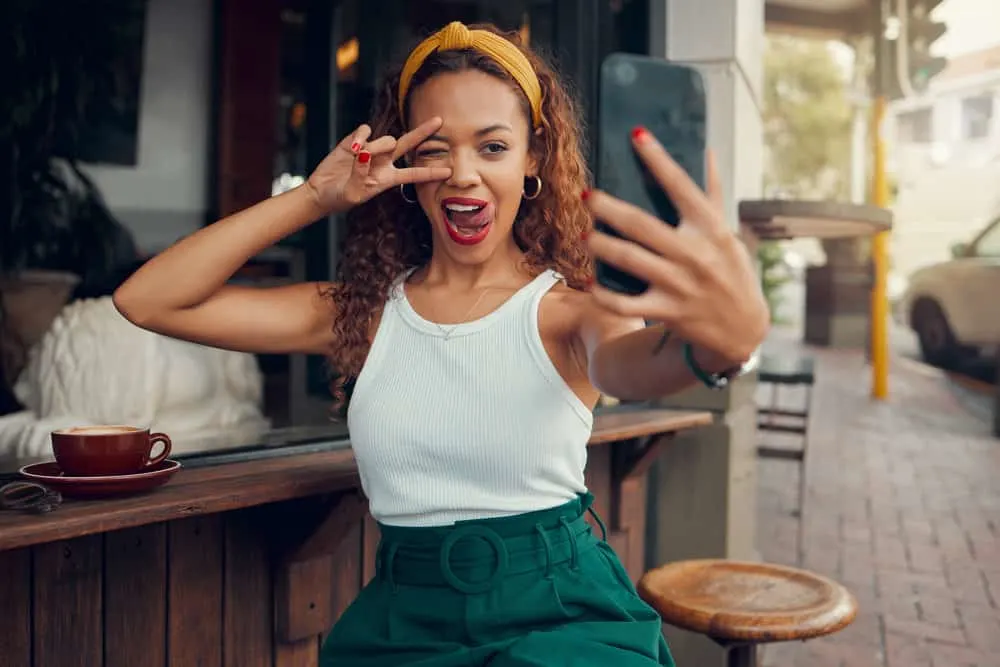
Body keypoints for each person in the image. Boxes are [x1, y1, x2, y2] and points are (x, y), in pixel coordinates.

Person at [113, 21, 768, 667]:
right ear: (404, 162)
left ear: (533, 157)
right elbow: (148, 300)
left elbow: (635, 365)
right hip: (403, 624)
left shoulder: (570, 313)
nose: (461, 174)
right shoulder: (364, 315)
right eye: (435, 149)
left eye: (492, 147)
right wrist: (314, 197)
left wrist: (718, 347)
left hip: (560, 616)